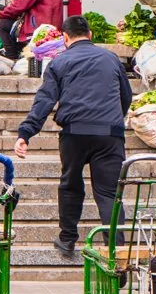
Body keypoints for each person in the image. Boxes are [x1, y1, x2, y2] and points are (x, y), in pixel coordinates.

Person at [14, 15, 132, 260]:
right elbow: (126, 95)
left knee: (70, 183)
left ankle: (67, 239)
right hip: (110, 134)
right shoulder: (111, 58)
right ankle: (116, 254)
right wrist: (115, 120)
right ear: (90, 35)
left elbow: (45, 100)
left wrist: (26, 132)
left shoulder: (59, 62)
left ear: (65, 38)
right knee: (109, 193)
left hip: (74, 133)